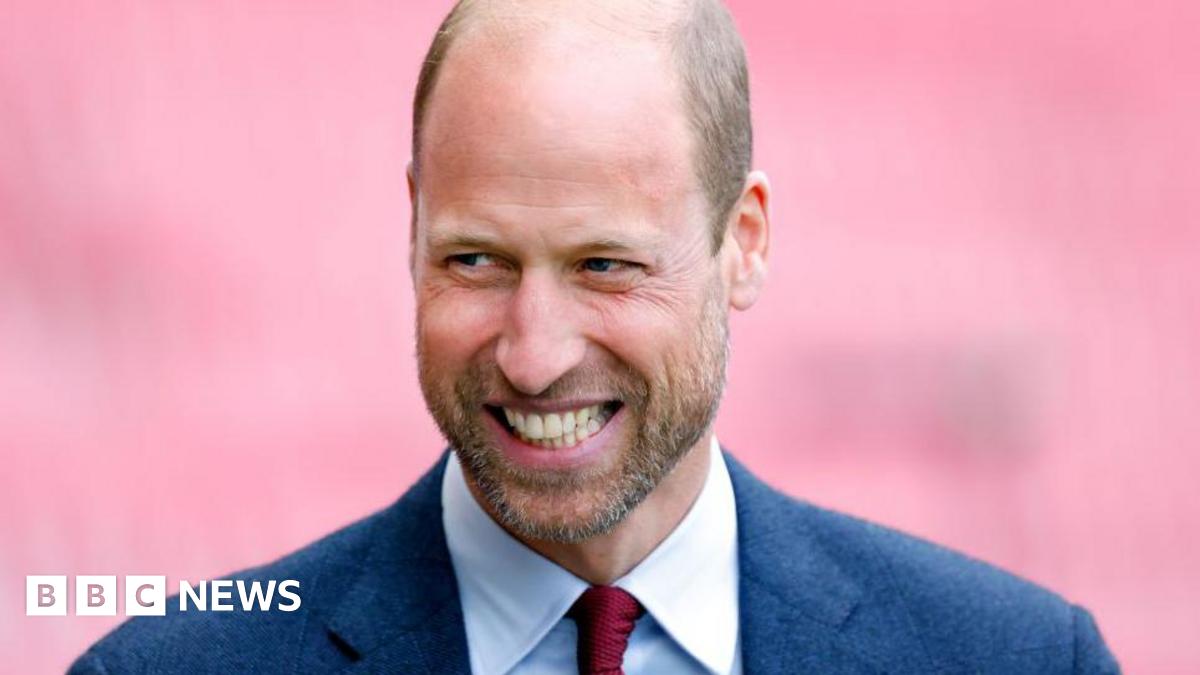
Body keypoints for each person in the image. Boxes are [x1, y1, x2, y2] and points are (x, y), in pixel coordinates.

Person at [70, 0, 1120, 673]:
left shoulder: (1015, 659)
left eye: (604, 266)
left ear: (741, 243)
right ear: (412, 227)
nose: (534, 354)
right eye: (475, 260)